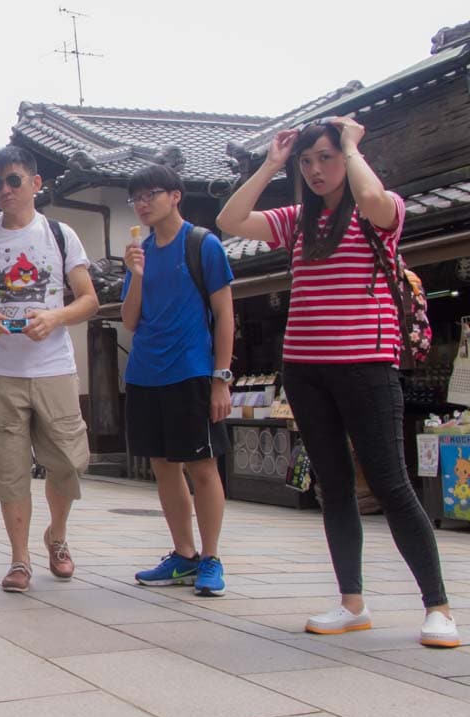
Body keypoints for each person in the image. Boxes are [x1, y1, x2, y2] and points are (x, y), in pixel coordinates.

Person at [216, 117, 458, 646]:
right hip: (305, 368)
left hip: (367, 364)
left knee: (391, 484)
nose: (316, 169)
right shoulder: (297, 220)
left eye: (324, 158)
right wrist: (272, 164)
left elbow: (372, 198)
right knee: (335, 486)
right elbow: (230, 219)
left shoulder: (378, 212)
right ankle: (352, 602)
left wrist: (351, 146)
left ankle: (437, 605)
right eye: (308, 161)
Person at [0, 145, 98, 593]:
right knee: (9, 469)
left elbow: (89, 299)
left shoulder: (60, 234)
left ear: (35, 183)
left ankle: (58, 536)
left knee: (67, 463)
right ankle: (19, 559)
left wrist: (55, 317)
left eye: (13, 180)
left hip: (53, 367)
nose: (4, 190)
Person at [120, 165, 235, 597]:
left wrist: (221, 378)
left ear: (176, 196)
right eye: (136, 198)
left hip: (191, 371)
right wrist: (136, 274)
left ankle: (211, 557)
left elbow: (225, 314)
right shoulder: (139, 251)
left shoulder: (202, 244)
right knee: (163, 466)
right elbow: (131, 320)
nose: (143, 204)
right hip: (145, 374)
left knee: (203, 466)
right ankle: (183, 555)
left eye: (150, 194)